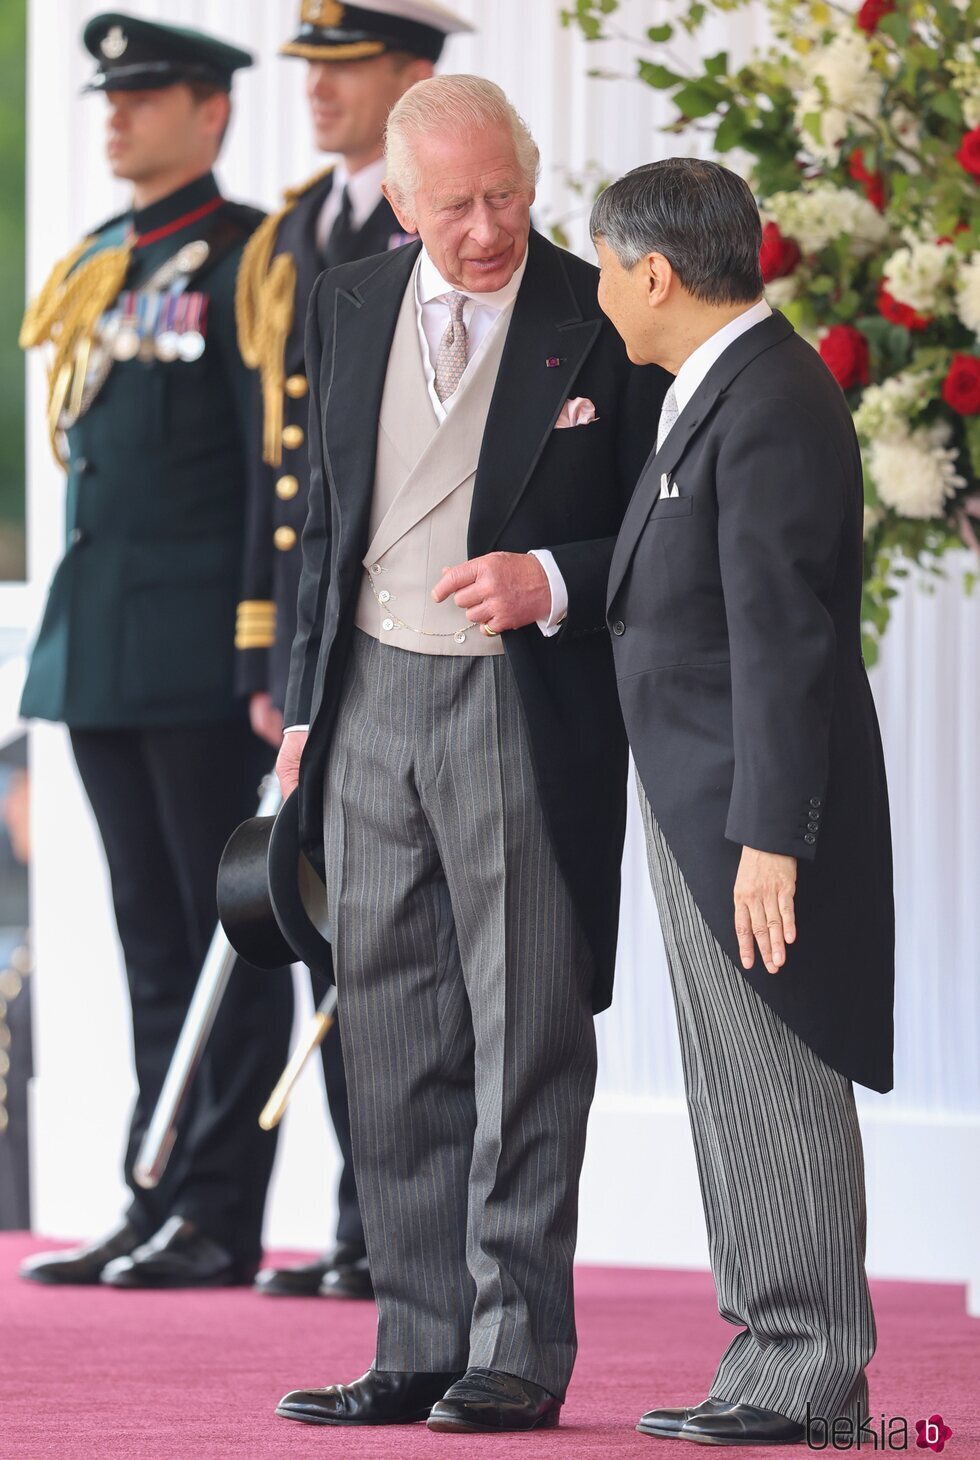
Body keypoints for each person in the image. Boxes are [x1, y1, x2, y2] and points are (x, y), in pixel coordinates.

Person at [272, 74, 665, 1433]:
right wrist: (304, 714)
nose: (489, 226)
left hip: (520, 702)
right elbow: (324, 526)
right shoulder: (348, 302)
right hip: (368, 702)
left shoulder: (602, 314)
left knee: (527, 1032)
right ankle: (415, 1339)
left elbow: (670, 532)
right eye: (456, 205)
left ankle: (515, 1350)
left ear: (534, 176)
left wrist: (552, 576)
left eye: (507, 194)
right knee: (385, 1025)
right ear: (400, 202)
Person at [594, 158, 895, 1447]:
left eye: (605, 268)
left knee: (773, 1074)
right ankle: (769, 1348)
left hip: (745, 810)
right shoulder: (715, 389)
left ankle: (808, 1361)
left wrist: (772, 834)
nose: (600, 293)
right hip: (698, 791)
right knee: (732, 1082)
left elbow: (784, 638)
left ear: (653, 273)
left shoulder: (764, 397)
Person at [18, 13, 293, 1290]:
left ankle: (218, 1213)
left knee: (222, 931)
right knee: (145, 936)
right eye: (110, 98)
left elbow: (263, 469)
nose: (117, 115)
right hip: (105, 644)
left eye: (146, 95)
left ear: (213, 110)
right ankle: (154, 1184)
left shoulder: (245, 257)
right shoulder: (100, 259)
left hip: (198, 647)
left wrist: (260, 642)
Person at [235, 0, 472, 1304]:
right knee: (339, 939)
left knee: (411, 958)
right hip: (322, 647)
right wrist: (273, 658)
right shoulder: (298, 235)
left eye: (347, 67)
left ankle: (403, 1228)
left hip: (423, 640)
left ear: (413, 77)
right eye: (310, 68)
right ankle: (361, 1216)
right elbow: (286, 484)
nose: (316, 90)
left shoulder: (447, 226)